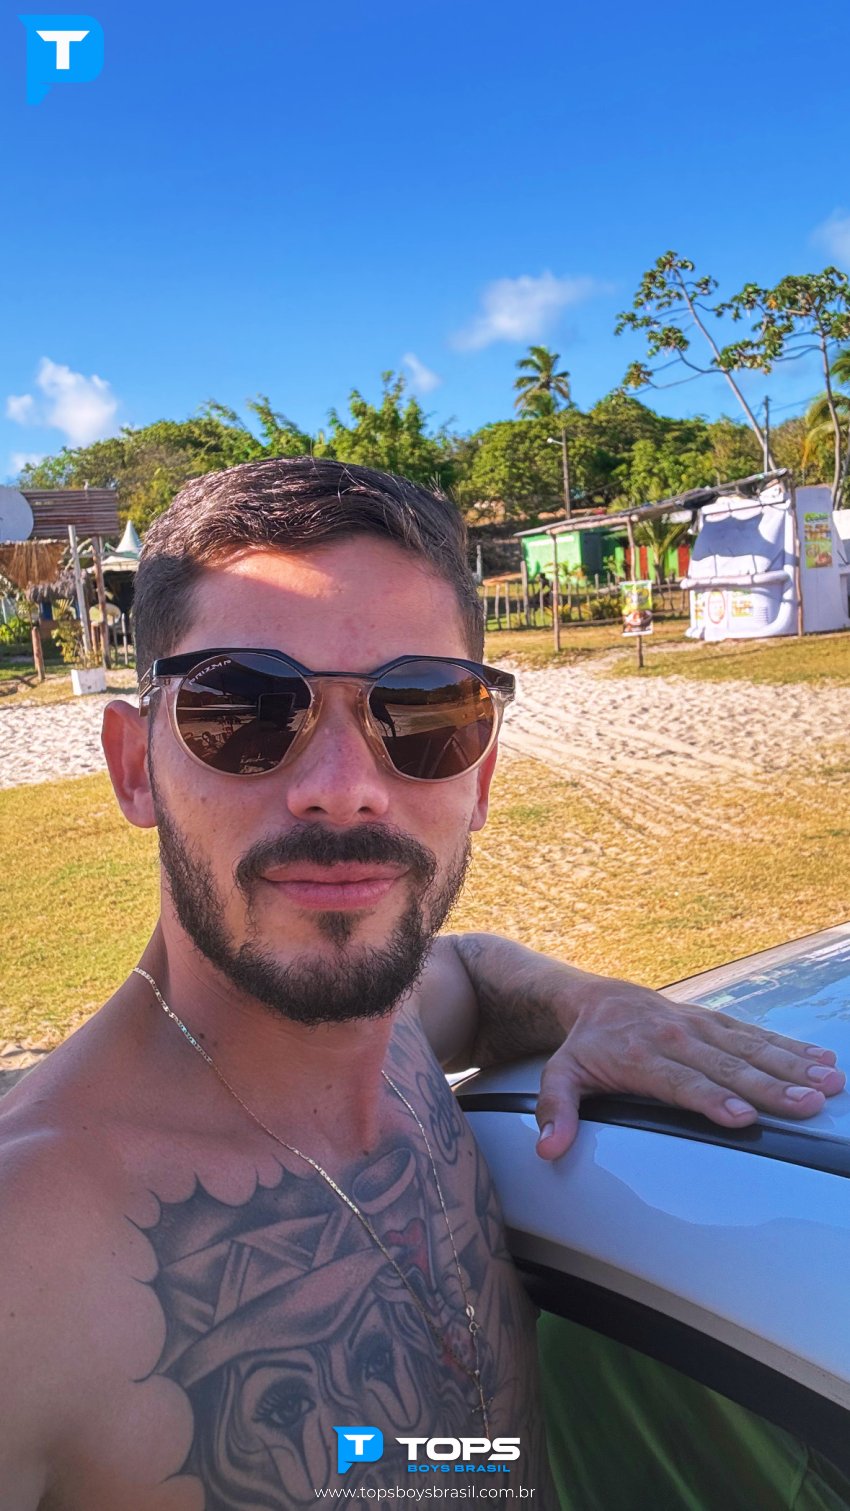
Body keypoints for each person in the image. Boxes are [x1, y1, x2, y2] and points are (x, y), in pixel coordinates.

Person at [0, 458, 843, 1510]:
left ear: (479, 775)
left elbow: (472, 969)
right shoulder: (34, 1254)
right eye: (244, 708)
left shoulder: (392, 1032)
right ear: (136, 768)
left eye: (424, 712)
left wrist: (590, 1001)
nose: (343, 788)